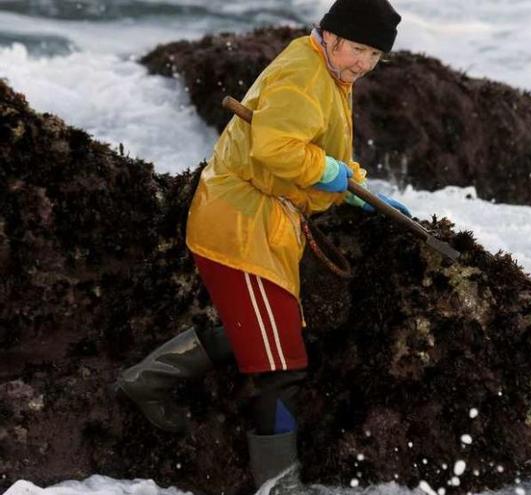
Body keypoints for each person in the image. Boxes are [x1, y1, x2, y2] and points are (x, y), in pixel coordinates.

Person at [115, 0, 408, 487]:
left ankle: (147, 379)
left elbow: (321, 147)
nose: (364, 64)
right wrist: (329, 173)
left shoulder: (331, 72)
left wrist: (357, 189)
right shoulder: (304, 75)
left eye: (375, 55)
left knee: (268, 332)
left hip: (266, 225)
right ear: (332, 36)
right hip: (239, 225)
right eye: (359, 49)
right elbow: (274, 149)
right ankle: (279, 485)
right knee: (280, 367)